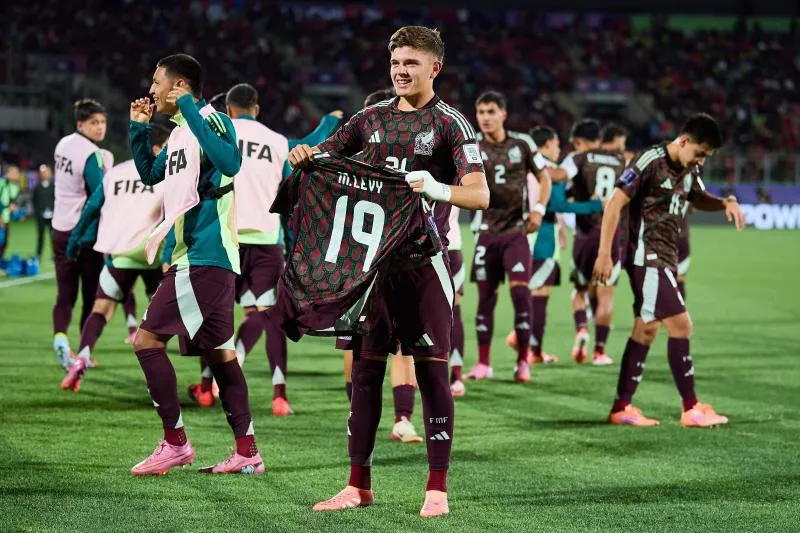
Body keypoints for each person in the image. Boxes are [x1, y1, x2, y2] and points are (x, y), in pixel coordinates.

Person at [288, 26, 489, 517]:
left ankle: (436, 490)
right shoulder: (370, 118)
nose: (400, 70)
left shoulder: (451, 124)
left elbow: (480, 194)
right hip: (373, 269)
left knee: (432, 373)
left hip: (423, 266)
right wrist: (305, 155)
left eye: (411, 63)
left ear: (434, 68)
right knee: (366, 374)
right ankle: (357, 486)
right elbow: (327, 155)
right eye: (396, 62)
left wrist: (437, 188)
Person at [128, 53, 263, 475]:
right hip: (199, 257)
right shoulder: (180, 132)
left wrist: (188, 107)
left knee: (146, 342)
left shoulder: (212, 119)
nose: (151, 90)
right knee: (221, 355)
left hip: (205, 256)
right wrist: (138, 128)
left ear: (179, 86)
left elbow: (230, 163)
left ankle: (175, 443)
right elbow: (151, 175)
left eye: (157, 82)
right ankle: (247, 451)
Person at [188, 86, 343, 411]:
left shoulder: (217, 134)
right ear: (256, 109)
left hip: (223, 238)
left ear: (229, 110)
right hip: (266, 240)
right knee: (266, 314)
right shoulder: (276, 141)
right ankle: (279, 396)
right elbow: (303, 158)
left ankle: (206, 387)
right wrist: (330, 121)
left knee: (214, 317)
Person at [594, 113, 745, 428]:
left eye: (706, 156)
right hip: (646, 256)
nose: (701, 161)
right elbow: (615, 203)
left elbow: (697, 197)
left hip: (665, 257)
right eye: (700, 153)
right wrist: (605, 253)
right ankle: (691, 408)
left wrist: (724, 202)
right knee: (681, 325)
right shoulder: (650, 160)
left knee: (646, 329)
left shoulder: (690, 169)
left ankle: (621, 407)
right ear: (684, 140)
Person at [336, 87, 424, 443]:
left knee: (376, 342)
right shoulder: (400, 163)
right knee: (360, 342)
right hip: (367, 263)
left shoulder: (351, 163)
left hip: (379, 262)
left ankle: (395, 418)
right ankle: (376, 416)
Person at [59, 123, 173, 391]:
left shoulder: (115, 173)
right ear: (158, 149)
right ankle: (160, 377)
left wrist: (74, 241)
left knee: (101, 309)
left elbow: (91, 207)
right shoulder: (167, 174)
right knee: (163, 319)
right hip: (154, 255)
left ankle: (82, 357)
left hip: (120, 253)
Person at [464, 90, 552, 384]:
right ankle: (483, 363)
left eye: (491, 112)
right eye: (481, 112)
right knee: (485, 298)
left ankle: (522, 361)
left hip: (516, 232)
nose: (485, 118)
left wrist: (539, 210)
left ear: (503, 114)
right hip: (485, 233)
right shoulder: (471, 145)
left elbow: (544, 177)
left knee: (520, 293)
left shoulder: (522, 143)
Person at [505, 126, 604, 363]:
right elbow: (558, 204)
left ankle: (527, 343)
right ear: (548, 143)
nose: (559, 150)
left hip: (521, 236)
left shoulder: (523, 165)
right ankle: (532, 350)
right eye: (557, 144)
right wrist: (595, 206)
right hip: (542, 239)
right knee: (540, 295)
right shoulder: (546, 169)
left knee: (532, 292)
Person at [551, 120, 626, 366]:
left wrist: (537, 165)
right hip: (611, 235)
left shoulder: (579, 158)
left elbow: (560, 176)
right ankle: (600, 351)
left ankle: (582, 328)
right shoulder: (621, 161)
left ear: (579, 141)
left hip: (584, 235)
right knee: (606, 293)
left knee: (580, 290)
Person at [51, 99, 111, 370]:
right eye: (93, 122)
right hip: (84, 234)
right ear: (80, 124)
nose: (100, 128)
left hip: (59, 228)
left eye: (103, 122)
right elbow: (99, 193)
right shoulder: (91, 153)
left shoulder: (62, 144)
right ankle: (85, 351)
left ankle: (60, 338)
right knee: (90, 295)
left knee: (65, 294)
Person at [32, 164, 55, 259]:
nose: (45, 174)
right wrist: (38, 213)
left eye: (47, 172)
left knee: (53, 236)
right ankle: (38, 254)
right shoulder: (37, 188)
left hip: (52, 216)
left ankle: (55, 254)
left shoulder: (54, 187)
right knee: (40, 235)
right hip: (41, 217)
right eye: (43, 173)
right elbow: (34, 202)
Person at [0, 165, 22, 261]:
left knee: (4, 243)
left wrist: (16, 211)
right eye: (14, 172)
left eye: (18, 173)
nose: (17, 175)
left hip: (7, 219)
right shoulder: (1, 183)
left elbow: (11, 203)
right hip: (1, 218)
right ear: (8, 173)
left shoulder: (15, 187)